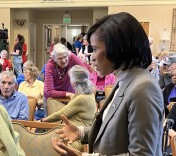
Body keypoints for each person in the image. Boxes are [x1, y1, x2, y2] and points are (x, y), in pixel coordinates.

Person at [52, 12, 164, 155]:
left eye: (96, 49)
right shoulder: (126, 79)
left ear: (117, 48)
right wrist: (81, 132)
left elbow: (142, 154)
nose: (92, 57)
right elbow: (115, 131)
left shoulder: (143, 88)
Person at [42, 65, 96, 151]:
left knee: (44, 146)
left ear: (74, 83)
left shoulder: (81, 98)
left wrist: (42, 120)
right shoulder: (89, 94)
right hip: (78, 135)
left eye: (70, 78)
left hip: (76, 139)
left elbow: (61, 114)